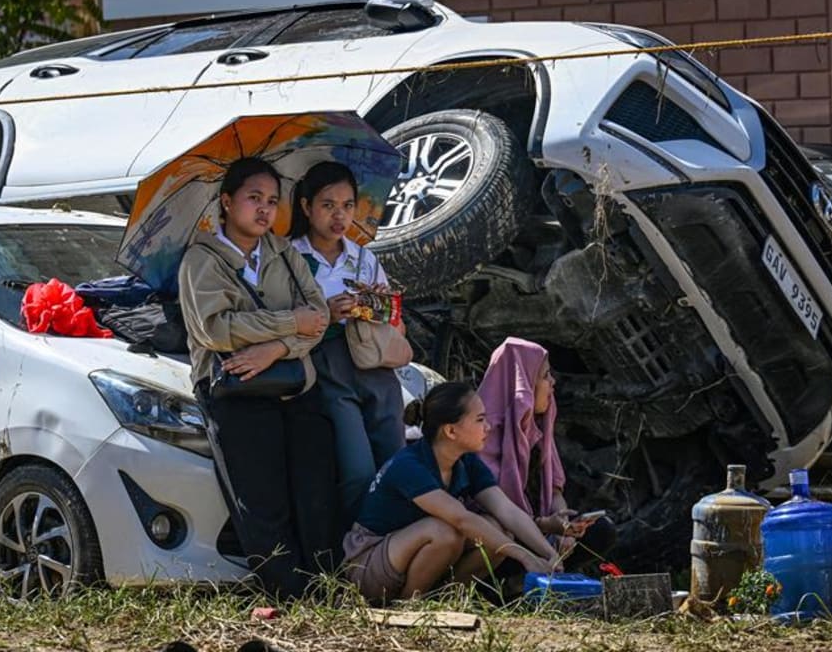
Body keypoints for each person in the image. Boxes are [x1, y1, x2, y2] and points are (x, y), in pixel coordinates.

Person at [177, 157, 336, 599]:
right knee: (261, 498)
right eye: (253, 198)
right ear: (227, 202)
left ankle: (324, 588)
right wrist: (289, 324)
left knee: (314, 488)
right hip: (234, 390)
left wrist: (276, 349)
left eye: (271, 201)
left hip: (294, 385)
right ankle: (286, 592)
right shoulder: (201, 259)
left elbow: (320, 317)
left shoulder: (285, 252)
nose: (264, 209)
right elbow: (216, 329)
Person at [342, 381, 563, 604]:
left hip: (409, 557)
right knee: (444, 532)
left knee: (499, 532)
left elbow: (506, 510)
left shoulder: (465, 461)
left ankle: (446, 599)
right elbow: (462, 519)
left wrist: (548, 554)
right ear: (450, 430)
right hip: (369, 565)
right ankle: (409, 605)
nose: (488, 427)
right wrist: (526, 557)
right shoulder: (409, 465)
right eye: (479, 420)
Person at [289, 161, 406, 531]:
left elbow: (396, 323)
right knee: (356, 468)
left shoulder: (364, 257)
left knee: (395, 459)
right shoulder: (289, 258)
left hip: (376, 366)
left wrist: (378, 306)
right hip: (328, 366)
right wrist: (326, 313)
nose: (339, 216)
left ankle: (400, 550)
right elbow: (282, 320)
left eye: (348, 205)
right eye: (328, 205)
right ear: (306, 207)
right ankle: (360, 555)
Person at [477, 337, 616, 571]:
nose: (552, 382)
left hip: (540, 532)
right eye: (544, 376)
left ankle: (548, 576)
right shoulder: (482, 436)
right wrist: (546, 527)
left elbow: (553, 490)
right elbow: (499, 511)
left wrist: (563, 525)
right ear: (523, 387)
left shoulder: (536, 428)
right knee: (499, 532)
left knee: (602, 530)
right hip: (505, 535)